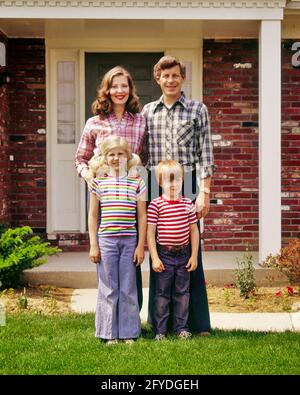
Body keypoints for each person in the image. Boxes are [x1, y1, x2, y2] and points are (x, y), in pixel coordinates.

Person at [142, 55, 216, 334]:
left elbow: (205, 155)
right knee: (158, 252)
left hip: (187, 186)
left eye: (175, 75)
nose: (170, 80)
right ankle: (160, 323)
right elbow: (142, 155)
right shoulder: (148, 111)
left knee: (190, 253)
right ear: (157, 79)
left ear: (182, 77)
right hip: (156, 186)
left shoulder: (198, 110)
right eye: (165, 76)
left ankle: (196, 323)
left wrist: (204, 193)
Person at [75, 66, 147, 308]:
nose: (119, 91)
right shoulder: (94, 123)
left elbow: (144, 158)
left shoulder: (140, 122)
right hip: (103, 195)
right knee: (106, 256)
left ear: (130, 90)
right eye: (114, 86)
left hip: (129, 195)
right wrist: (88, 176)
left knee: (130, 256)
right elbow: (80, 158)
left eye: (124, 86)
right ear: (106, 90)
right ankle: (109, 316)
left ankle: (130, 317)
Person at [88, 136, 147, 345]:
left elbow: (142, 216)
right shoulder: (98, 183)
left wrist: (141, 245)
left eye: (120, 153)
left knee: (128, 288)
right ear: (104, 158)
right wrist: (93, 244)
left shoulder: (137, 182)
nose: (116, 158)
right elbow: (94, 215)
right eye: (111, 154)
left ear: (128, 156)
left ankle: (129, 332)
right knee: (108, 287)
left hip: (130, 240)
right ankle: (108, 333)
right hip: (106, 241)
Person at [147, 160, 199, 341]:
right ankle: (160, 331)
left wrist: (193, 256)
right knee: (162, 295)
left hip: (184, 255)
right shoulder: (156, 205)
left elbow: (194, 231)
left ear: (183, 180)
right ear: (160, 182)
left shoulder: (187, 204)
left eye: (177, 179)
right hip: (164, 255)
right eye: (169, 180)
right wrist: (154, 257)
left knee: (182, 294)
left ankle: (181, 329)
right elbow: (150, 233)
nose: (173, 184)